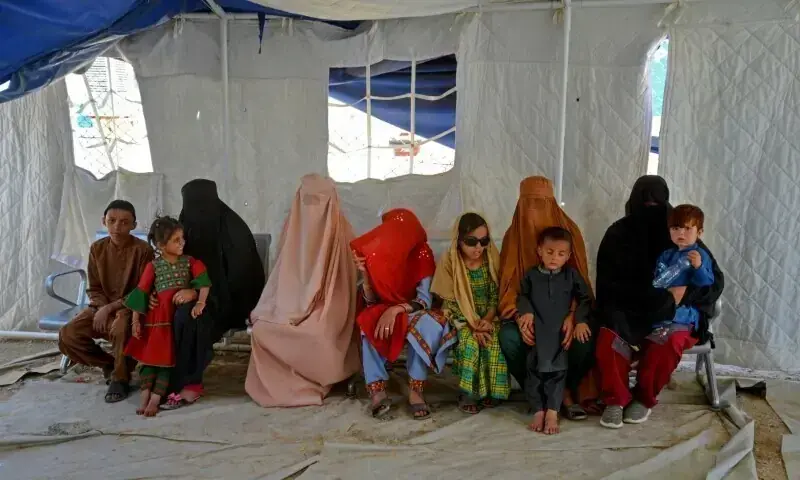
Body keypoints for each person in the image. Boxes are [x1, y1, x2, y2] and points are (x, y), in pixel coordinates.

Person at [594, 176, 724, 429]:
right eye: (645, 202)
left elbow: (713, 283)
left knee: (669, 341)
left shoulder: (680, 233)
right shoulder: (618, 233)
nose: (650, 208)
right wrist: (646, 300)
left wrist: (680, 296)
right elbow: (607, 285)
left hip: (674, 313)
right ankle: (615, 400)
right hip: (629, 309)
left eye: (657, 202)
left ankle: (644, 398)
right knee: (609, 337)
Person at [246, 174, 360, 407]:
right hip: (288, 304)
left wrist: (313, 306)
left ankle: (318, 378)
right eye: (306, 201)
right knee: (262, 328)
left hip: (327, 308)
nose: (312, 209)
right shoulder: (292, 231)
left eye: (318, 201)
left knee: (316, 334)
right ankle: (284, 382)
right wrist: (282, 307)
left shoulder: (343, 236)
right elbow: (280, 277)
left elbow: (344, 288)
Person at [150, 179, 266, 408]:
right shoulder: (184, 230)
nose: (196, 213)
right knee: (173, 314)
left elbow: (244, 278)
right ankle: (163, 379)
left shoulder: (234, 230)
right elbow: (172, 266)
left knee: (190, 317)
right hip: (190, 297)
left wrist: (201, 294)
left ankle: (191, 384)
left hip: (232, 303)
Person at [496, 176, 598, 420]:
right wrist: (522, 314)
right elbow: (508, 286)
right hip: (529, 314)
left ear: (552, 202)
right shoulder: (513, 236)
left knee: (584, 339)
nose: (533, 212)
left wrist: (573, 316)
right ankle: (538, 391)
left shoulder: (570, 232)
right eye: (529, 203)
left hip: (564, 314)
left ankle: (564, 390)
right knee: (508, 338)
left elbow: (581, 283)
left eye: (541, 203)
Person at [352, 208, 457, 420]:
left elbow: (424, 300)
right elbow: (371, 301)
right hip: (386, 310)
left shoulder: (421, 253)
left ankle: (416, 390)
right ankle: (377, 391)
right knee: (369, 320)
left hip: (413, 309)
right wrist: (366, 276)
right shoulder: (379, 255)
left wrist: (397, 309)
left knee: (426, 325)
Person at [58, 200, 153, 403]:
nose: (117, 227)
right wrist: (101, 308)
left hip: (130, 308)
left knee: (120, 327)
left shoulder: (143, 250)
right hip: (99, 306)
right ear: (104, 221)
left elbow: (142, 290)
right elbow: (95, 288)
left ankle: (120, 379)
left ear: (134, 225)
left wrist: (112, 308)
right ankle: (109, 364)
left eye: (124, 222)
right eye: (112, 221)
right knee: (68, 334)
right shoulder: (97, 248)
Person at [123, 216, 211, 416]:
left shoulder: (189, 262)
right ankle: (144, 399)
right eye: (176, 240)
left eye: (182, 238)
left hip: (172, 324)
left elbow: (203, 281)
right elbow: (141, 292)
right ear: (161, 245)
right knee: (150, 361)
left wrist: (200, 301)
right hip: (155, 323)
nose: (182, 243)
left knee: (165, 361)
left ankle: (154, 401)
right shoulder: (153, 266)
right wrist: (136, 320)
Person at [431, 212, 509, 414]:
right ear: (458, 240)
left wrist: (487, 321)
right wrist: (473, 325)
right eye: (472, 242)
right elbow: (450, 302)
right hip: (461, 320)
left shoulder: (491, 258)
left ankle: (491, 392)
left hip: (489, 319)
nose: (479, 248)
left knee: (494, 343)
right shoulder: (450, 262)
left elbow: (495, 296)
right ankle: (468, 394)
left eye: (484, 241)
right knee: (470, 343)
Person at [517, 227, 592, 434]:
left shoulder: (571, 275)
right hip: (537, 333)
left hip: (560, 334)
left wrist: (579, 320)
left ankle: (552, 411)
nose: (554, 258)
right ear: (539, 250)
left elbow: (585, 298)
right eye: (549, 252)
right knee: (533, 371)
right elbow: (522, 296)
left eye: (561, 254)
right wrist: (527, 313)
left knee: (558, 373)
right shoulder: (531, 275)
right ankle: (538, 410)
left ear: (568, 256)